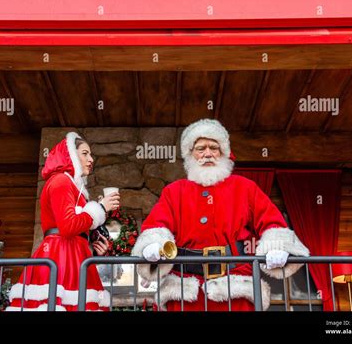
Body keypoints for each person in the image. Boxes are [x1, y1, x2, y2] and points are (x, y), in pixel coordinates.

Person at [132, 119, 310, 311]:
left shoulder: (245, 187)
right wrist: (153, 244)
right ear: (190, 154)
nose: (207, 153)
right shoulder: (174, 191)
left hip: (235, 286)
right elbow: (156, 224)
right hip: (186, 287)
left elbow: (272, 221)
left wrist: (278, 246)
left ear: (223, 152)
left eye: (214, 147)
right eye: (200, 148)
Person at [6, 132, 120, 311]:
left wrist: (94, 248)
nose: (91, 159)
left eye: (91, 155)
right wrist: (101, 209)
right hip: (61, 256)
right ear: (71, 155)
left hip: (72, 255)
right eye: (85, 153)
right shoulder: (61, 181)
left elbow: (76, 228)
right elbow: (67, 226)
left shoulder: (74, 188)